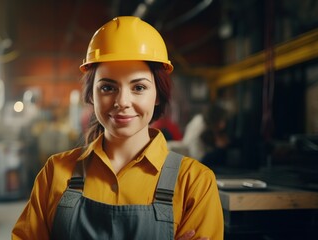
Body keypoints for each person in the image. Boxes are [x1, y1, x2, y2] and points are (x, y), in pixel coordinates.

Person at [12, 16, 223, 240]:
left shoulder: (195, 183)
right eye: (107, 87)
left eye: (139, 87)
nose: (122, 101)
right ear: (91, 95)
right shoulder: (55, 173)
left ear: (158, 95)